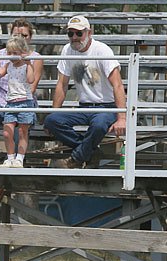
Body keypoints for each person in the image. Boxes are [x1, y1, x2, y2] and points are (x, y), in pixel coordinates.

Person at [43, 15, 127, 169]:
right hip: (84, 106)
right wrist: (54, 112)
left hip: (107, 106)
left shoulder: (102, 50)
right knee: (51, 121)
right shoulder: (67, 50)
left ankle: (76, 158)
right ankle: (90, 151)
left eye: (79, 33)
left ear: (89, 33)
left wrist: (122, 117)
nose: (74, 37)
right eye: (70, 33)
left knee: (99, 125)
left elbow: (118, 85)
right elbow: (62, 84)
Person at [0, 18, 43, 168]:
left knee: (19, 127)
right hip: (4, 102)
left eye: (24, 36)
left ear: (30, 37)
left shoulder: (34, 58)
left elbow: (32, 85)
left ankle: (19, 158)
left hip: (22, 100)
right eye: (16, 35)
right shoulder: (3, 56)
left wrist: (27, 62)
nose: (20, 38)